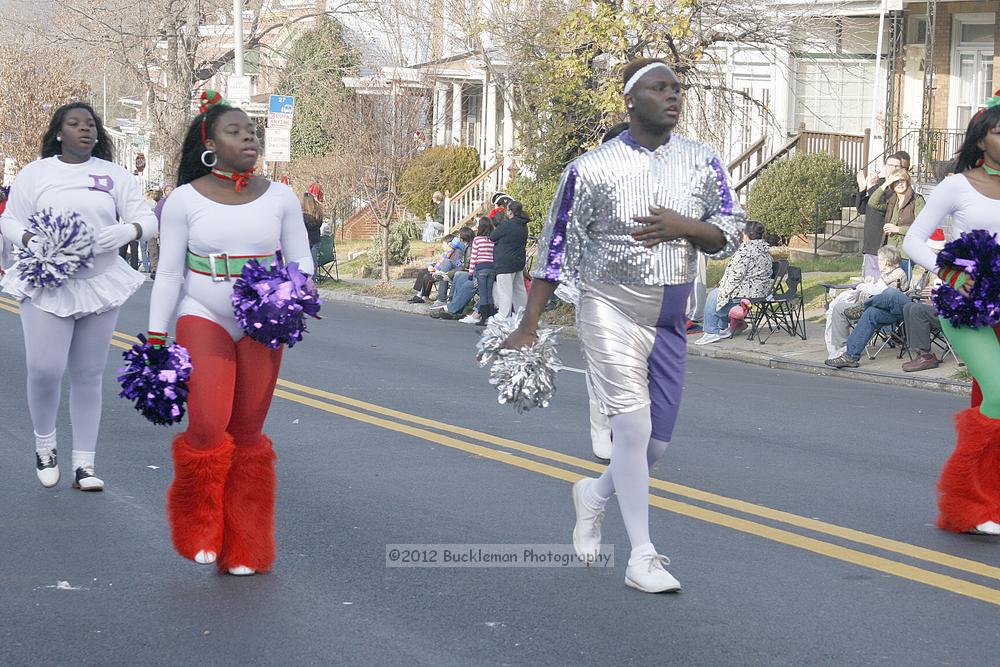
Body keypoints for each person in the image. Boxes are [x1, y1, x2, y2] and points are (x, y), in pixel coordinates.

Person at [503, 58, 743, 592]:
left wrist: (685, 227)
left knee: (655, 447)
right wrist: (529, 321)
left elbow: (729, 231)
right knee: (631, 432)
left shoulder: (703, 162)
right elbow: (556, 245)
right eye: (660, 88)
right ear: (631, 100)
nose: (673, 96)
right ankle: (643, 557)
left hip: (670, 317)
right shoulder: (589, 167)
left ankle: (593, 495)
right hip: (608, 306)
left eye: (678, 89)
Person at [146, 90, 314, 574]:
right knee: (206, 424)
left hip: (263, 321)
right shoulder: (182, 199)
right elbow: (169, 273)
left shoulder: (281, 196)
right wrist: (157, 337)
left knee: (247, 434)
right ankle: (198, 523)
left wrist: (290, 294)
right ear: (209, 143)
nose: (248, 137)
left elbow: (301, 256)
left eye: (251, 131)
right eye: (234, 131)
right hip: (203, 311)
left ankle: (245, 545)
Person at [0, 102, 158, 491]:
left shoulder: (114, 175)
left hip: (100, 281)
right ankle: (45, 444)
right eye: (75, 124)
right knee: (45, 369)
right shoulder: (37, 173)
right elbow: (9, 219)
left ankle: (84, 465)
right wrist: (30, 240)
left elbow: (149, 218)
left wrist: (129, 232)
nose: (85, 130)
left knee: (88, 374)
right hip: (48, 281)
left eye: (91, 125)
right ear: (59, 132)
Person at [902, 93, 1000, 536]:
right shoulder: (956, 185)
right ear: (981, 139)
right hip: (968, 305)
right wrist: (953, 273)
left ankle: (989, 504)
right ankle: (963, 501)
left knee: (990, 401)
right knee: (998, 394)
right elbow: (913, 240)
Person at [824, 231, 946, 369]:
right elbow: (913, 289)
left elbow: (955, 293)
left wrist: (937, 297)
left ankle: (863, 306)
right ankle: (850, 356)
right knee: (872, 313)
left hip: (915, 307)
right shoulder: (922, 268)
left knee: (891, 292)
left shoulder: (945, 269)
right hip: (906, 307)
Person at [694, 220, 773, 345]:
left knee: (714, 297)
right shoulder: (764, 249)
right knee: (719, 296)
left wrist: (722, 290)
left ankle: (711, 332)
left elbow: (735, 277)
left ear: (745, 234)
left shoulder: (745, 252)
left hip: (747, 293)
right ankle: (733, 325)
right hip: (761, 292)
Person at [824, 244, 908, 358]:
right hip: (871, 304)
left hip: (886, 310)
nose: (878, 262)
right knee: (838, 307)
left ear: (887, 261)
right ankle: (841, 347)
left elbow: (881, 292)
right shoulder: (885, 274)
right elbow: (875, 289)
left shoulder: (898, 273)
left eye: (879, 260)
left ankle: (845, 346)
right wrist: (867, 284)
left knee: (845, 309)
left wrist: (863, 286)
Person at [856, 151, 911, 280]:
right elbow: (863, 208)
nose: (892, 168)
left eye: (896, 166)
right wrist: (862, 189)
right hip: (871, 243)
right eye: (890, 165)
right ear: (885, 167)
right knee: (869, 284)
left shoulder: (899, 188)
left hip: (886, 243)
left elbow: (884, 207)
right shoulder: (878, 184)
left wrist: (871, 189)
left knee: (887, 283)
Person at [867, 168, 924, 255]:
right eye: (896, 181)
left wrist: (898, 229)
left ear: (907, 182)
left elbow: (921, 229)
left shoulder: (917, 200)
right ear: (892, 184)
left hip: (908, 252)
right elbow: (872, 203)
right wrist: (886, 183)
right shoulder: (892, 201)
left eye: (902, 180)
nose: (900, 184)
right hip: (891, 251)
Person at [491, 200, 530, 319]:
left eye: (507, 210)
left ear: (511, 212)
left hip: (505, 262)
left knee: (505, 291)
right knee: (519, 290)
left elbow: (493, 237)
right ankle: (521, 315)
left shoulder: (506, 225)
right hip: (518, 261)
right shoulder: (523, 225)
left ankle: (503, 315)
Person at [468, 216, 497, 324]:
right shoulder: (493, 239)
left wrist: (471, 273)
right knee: (489, 293)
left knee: (483, 294)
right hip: (492, 267)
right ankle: (491, 316)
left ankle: (484, 317)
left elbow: (474, 257)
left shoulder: (477, 240)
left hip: (481, 268)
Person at [149, 184, 174, 278]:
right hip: (161, 230)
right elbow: (157, 217)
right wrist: (157, 230)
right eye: (167, 190)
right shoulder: (162, 203)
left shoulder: (177, 203)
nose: (169, 192)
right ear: (164, 192)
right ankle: (155, 269)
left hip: (172, 231)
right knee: (155, 250)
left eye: (171, 190)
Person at [302, 190, 324, 270]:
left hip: (306, 242)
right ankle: (313, 281)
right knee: (313, 263)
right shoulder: (318, 214)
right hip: (316, 240)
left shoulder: (303, 215)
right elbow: (320, 224)